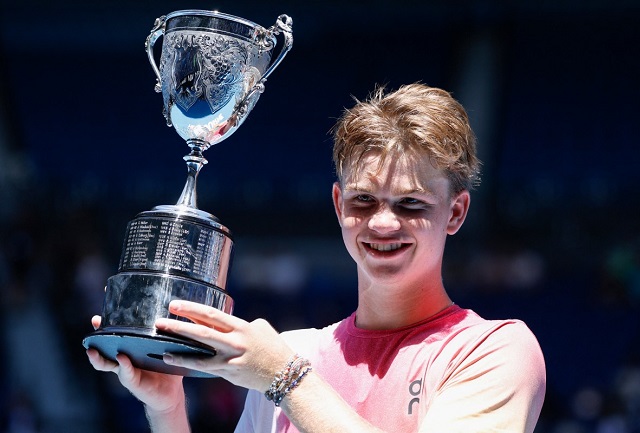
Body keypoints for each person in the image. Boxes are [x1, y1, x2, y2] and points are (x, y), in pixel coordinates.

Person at [87, 83, 546, 432]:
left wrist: (282, 377)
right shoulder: (293, 351)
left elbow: (282, 374)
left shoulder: (493, 351)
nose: (383, 223)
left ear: (456, 212)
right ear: (338, 205)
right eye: (364, 200)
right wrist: (166, 407)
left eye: (411, 204)